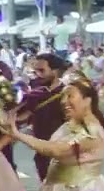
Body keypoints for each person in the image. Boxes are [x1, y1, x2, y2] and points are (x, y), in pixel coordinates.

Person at [13, 53, 68, 181]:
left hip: (65, 151)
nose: (38, 74)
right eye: (36, 71)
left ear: (55, 71)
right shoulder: (34, 95)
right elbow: (19, 116)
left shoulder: (69, 93)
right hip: (41, 152)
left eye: (42, 70)